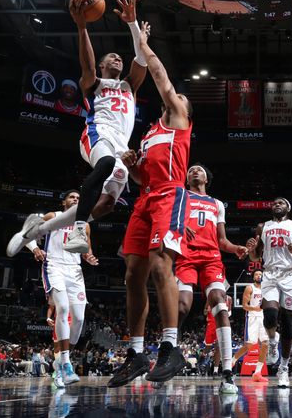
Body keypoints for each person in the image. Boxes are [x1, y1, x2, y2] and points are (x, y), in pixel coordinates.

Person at [5, 0, 148, 257]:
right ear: (103, 65)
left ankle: (35, 231)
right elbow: (87, 65)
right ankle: (79, 229)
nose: (118, 59)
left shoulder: (130, 85)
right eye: (112, 58)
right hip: (97, 134)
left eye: (119, 57)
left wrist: (133, 23)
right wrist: (82, 27)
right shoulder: (93, 84)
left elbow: (142, 60)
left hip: (120, 145)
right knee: (104, 164)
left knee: (106, 205)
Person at [107, 19, 194, 387]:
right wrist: (132, 166)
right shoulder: (149, 134)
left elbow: (160, 78)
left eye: (180, 98)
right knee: (132, 275)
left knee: (161, 268)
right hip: (144, 199)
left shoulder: (177, 119)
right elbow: (143, 177)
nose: (177, 99)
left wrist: (142, 44)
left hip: (171, 196)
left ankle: (171, 347)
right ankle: (137, 352)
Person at [174, 164, 248, 393]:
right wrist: (179, 226)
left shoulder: (217, 204)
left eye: (199, 169)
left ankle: (227, 372)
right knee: (183, 305)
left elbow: (222, 240)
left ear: (207, 177)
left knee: (220, 302)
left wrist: (235, 248)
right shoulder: (181, 195)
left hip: (211, 258)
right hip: (186, 255)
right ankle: (168, 350)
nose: (194, 171)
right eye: (191, 169)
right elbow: (166, 221)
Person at [246, 197, 292, 389]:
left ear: (288, 208)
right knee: (270, 316)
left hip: (290, 276)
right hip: (270, 275)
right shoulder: (262, 227)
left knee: (288, 324)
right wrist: (250, 251)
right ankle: (273, 340)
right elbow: (256, 256)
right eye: (274, 203)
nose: (277, 204)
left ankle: (284, 367)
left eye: (281, 203)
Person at [36, 190, 99, 388]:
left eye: (79, 198)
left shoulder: (84, 225)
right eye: (72, 197)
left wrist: (88, 256)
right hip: (54, 266)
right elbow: (29, 231)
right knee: (62, 309)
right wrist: (35, 248)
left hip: (75, 272)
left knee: (79, 319)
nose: (76, 200)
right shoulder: (53, 217)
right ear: (64, 202)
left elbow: (85, 248)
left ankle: (62, 360)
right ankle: (64, 364)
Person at [232, 270, 270, 383]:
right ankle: (233, 361)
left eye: (260, 274)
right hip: (253, 317)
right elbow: (244, 306)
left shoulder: (266, 288)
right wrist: (255, 309)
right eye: (257, 274)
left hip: (264, 317)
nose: (259, 276)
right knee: (249, 345)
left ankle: (257, 373)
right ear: (253, 277)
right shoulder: (250, 288)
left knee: (265, 344)